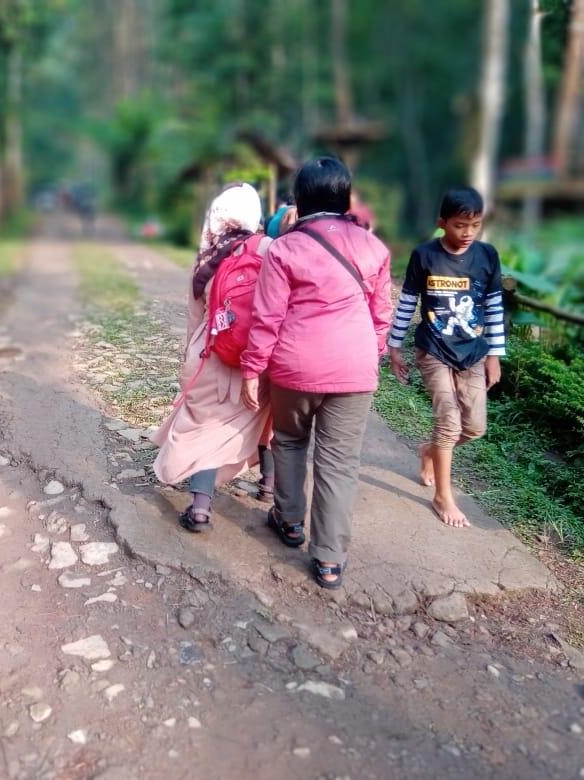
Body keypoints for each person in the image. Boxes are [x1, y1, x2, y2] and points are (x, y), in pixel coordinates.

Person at [241, 157, 392, 589]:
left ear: (299, 201)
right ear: (344, 198)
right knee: (340, 463)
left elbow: (267, 318)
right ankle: (328, 560)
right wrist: (369, 354)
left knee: (288, 440)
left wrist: (253, 369)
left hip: (295, 367)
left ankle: (289, 523)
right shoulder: (374, 248)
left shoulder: (285, 248)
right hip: (354, 369)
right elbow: (380, 317)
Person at [151, 183, 275, 532]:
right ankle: (268, 486)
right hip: (258, 358)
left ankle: (201, 508)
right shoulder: (271, 250)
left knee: (204, 427)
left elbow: (195, 320)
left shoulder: (206, 256)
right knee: (266, 416)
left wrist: (188, 365)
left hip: (212, 355)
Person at [387, 187, 505, 529]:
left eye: (475, 225)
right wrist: (394, 347)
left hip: (473, 352)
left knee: (475, 427)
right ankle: (443, 496)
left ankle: (430, 450)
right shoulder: (425, 255)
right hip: (433, 348)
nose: (467, 233)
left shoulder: (487, 256)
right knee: (449, 422)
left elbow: (494, 307)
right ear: (442, 223)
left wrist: (495, 354)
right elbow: (408, 303)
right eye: (459, 225)